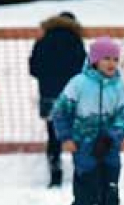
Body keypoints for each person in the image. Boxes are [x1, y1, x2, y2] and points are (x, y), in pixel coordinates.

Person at [50, 36, 124, 205]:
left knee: (110, 196)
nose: (111, 63)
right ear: (95, 60)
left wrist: (111, 138)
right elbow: (60, 112)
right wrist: (66, 137)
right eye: (106, 58)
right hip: (85, 151)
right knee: (87, 198)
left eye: (115, 59)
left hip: (109, 152)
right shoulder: (78, 83)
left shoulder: (119, 86)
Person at [28, 11, 86, 187]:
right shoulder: (76, 41)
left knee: (53, 136)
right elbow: (83, 68)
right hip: (72, 95)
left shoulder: (42, 39)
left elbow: (34, 69)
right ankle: (81, 174)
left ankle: (55, 174)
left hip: (49, 95)